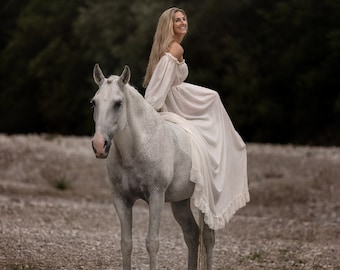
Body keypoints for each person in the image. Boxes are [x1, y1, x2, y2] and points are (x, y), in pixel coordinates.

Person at [143, 7, 249, 230]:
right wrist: (151, 108)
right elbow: (157, 87)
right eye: (177, 20)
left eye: (184, 19)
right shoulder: (174, 48)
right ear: (169, 26)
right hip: (176, 100)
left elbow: (164, 81)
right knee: (213, 99)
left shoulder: (168, 49)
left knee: (212, 97)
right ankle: (220, 151)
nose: (183, 23)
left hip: (178, 96)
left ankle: (218, 148)